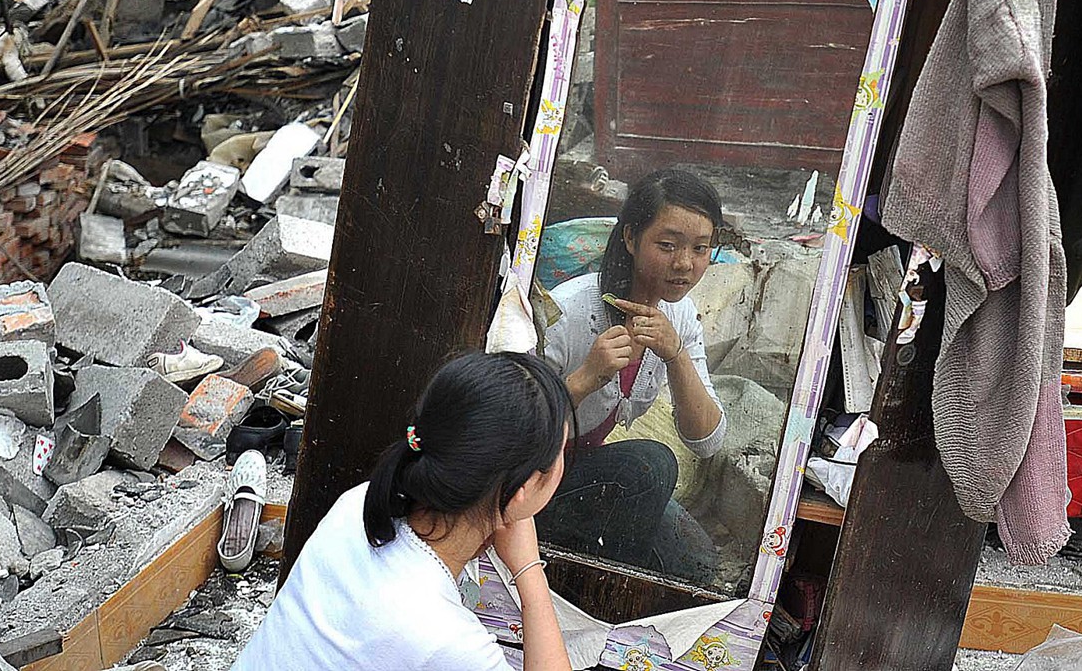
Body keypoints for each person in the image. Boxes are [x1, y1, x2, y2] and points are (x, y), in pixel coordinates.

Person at [232, 352, 574, 671]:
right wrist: (529, 571)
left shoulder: (358, 504)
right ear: (522, 490)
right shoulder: (447, 640)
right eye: (560, 451)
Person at [540, 168, 727, 583]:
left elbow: (707, 440)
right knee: (648, 466)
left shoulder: (680, 316)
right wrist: (586, 377)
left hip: (586, 472)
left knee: (697, 562)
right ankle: (602, 590)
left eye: (700, 248)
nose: (685, 264)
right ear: (630, 238)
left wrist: (675, 355)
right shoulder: (567, 311)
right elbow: (510, 432)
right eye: (667, 245)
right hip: (534, 481)